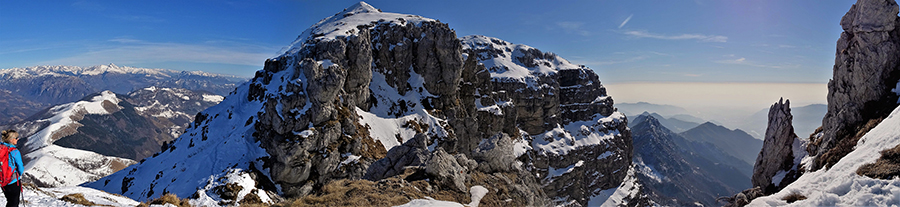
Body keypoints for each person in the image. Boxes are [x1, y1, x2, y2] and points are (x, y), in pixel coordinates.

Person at [0, 130, 23, 207]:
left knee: (9, 200)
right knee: (14, 202)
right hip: (13, 180)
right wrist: (20, 174)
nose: (18, 139)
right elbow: (20, 166)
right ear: (11, 139)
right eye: (16, 138)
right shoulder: (15, 151)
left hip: (2, 180)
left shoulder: (1, 148)